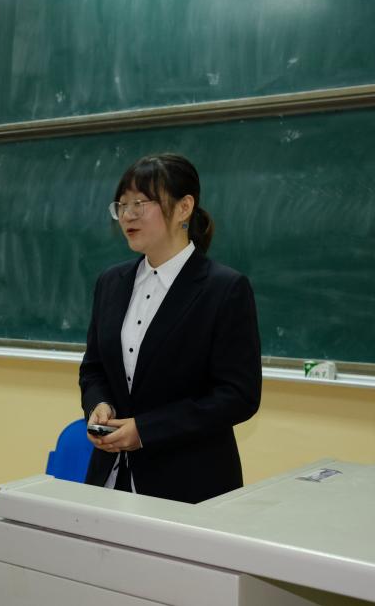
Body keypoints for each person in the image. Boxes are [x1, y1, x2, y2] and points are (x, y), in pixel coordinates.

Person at [79, 153, 262, 504]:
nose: (128, 215)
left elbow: (238, 396)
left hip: (189, 485)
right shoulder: (111, 282)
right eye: (122, 205)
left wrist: (145, 431)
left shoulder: (224, 288)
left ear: (184, 208)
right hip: (110, 478)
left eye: (140, 203)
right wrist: (98, 405)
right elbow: (94, 368)